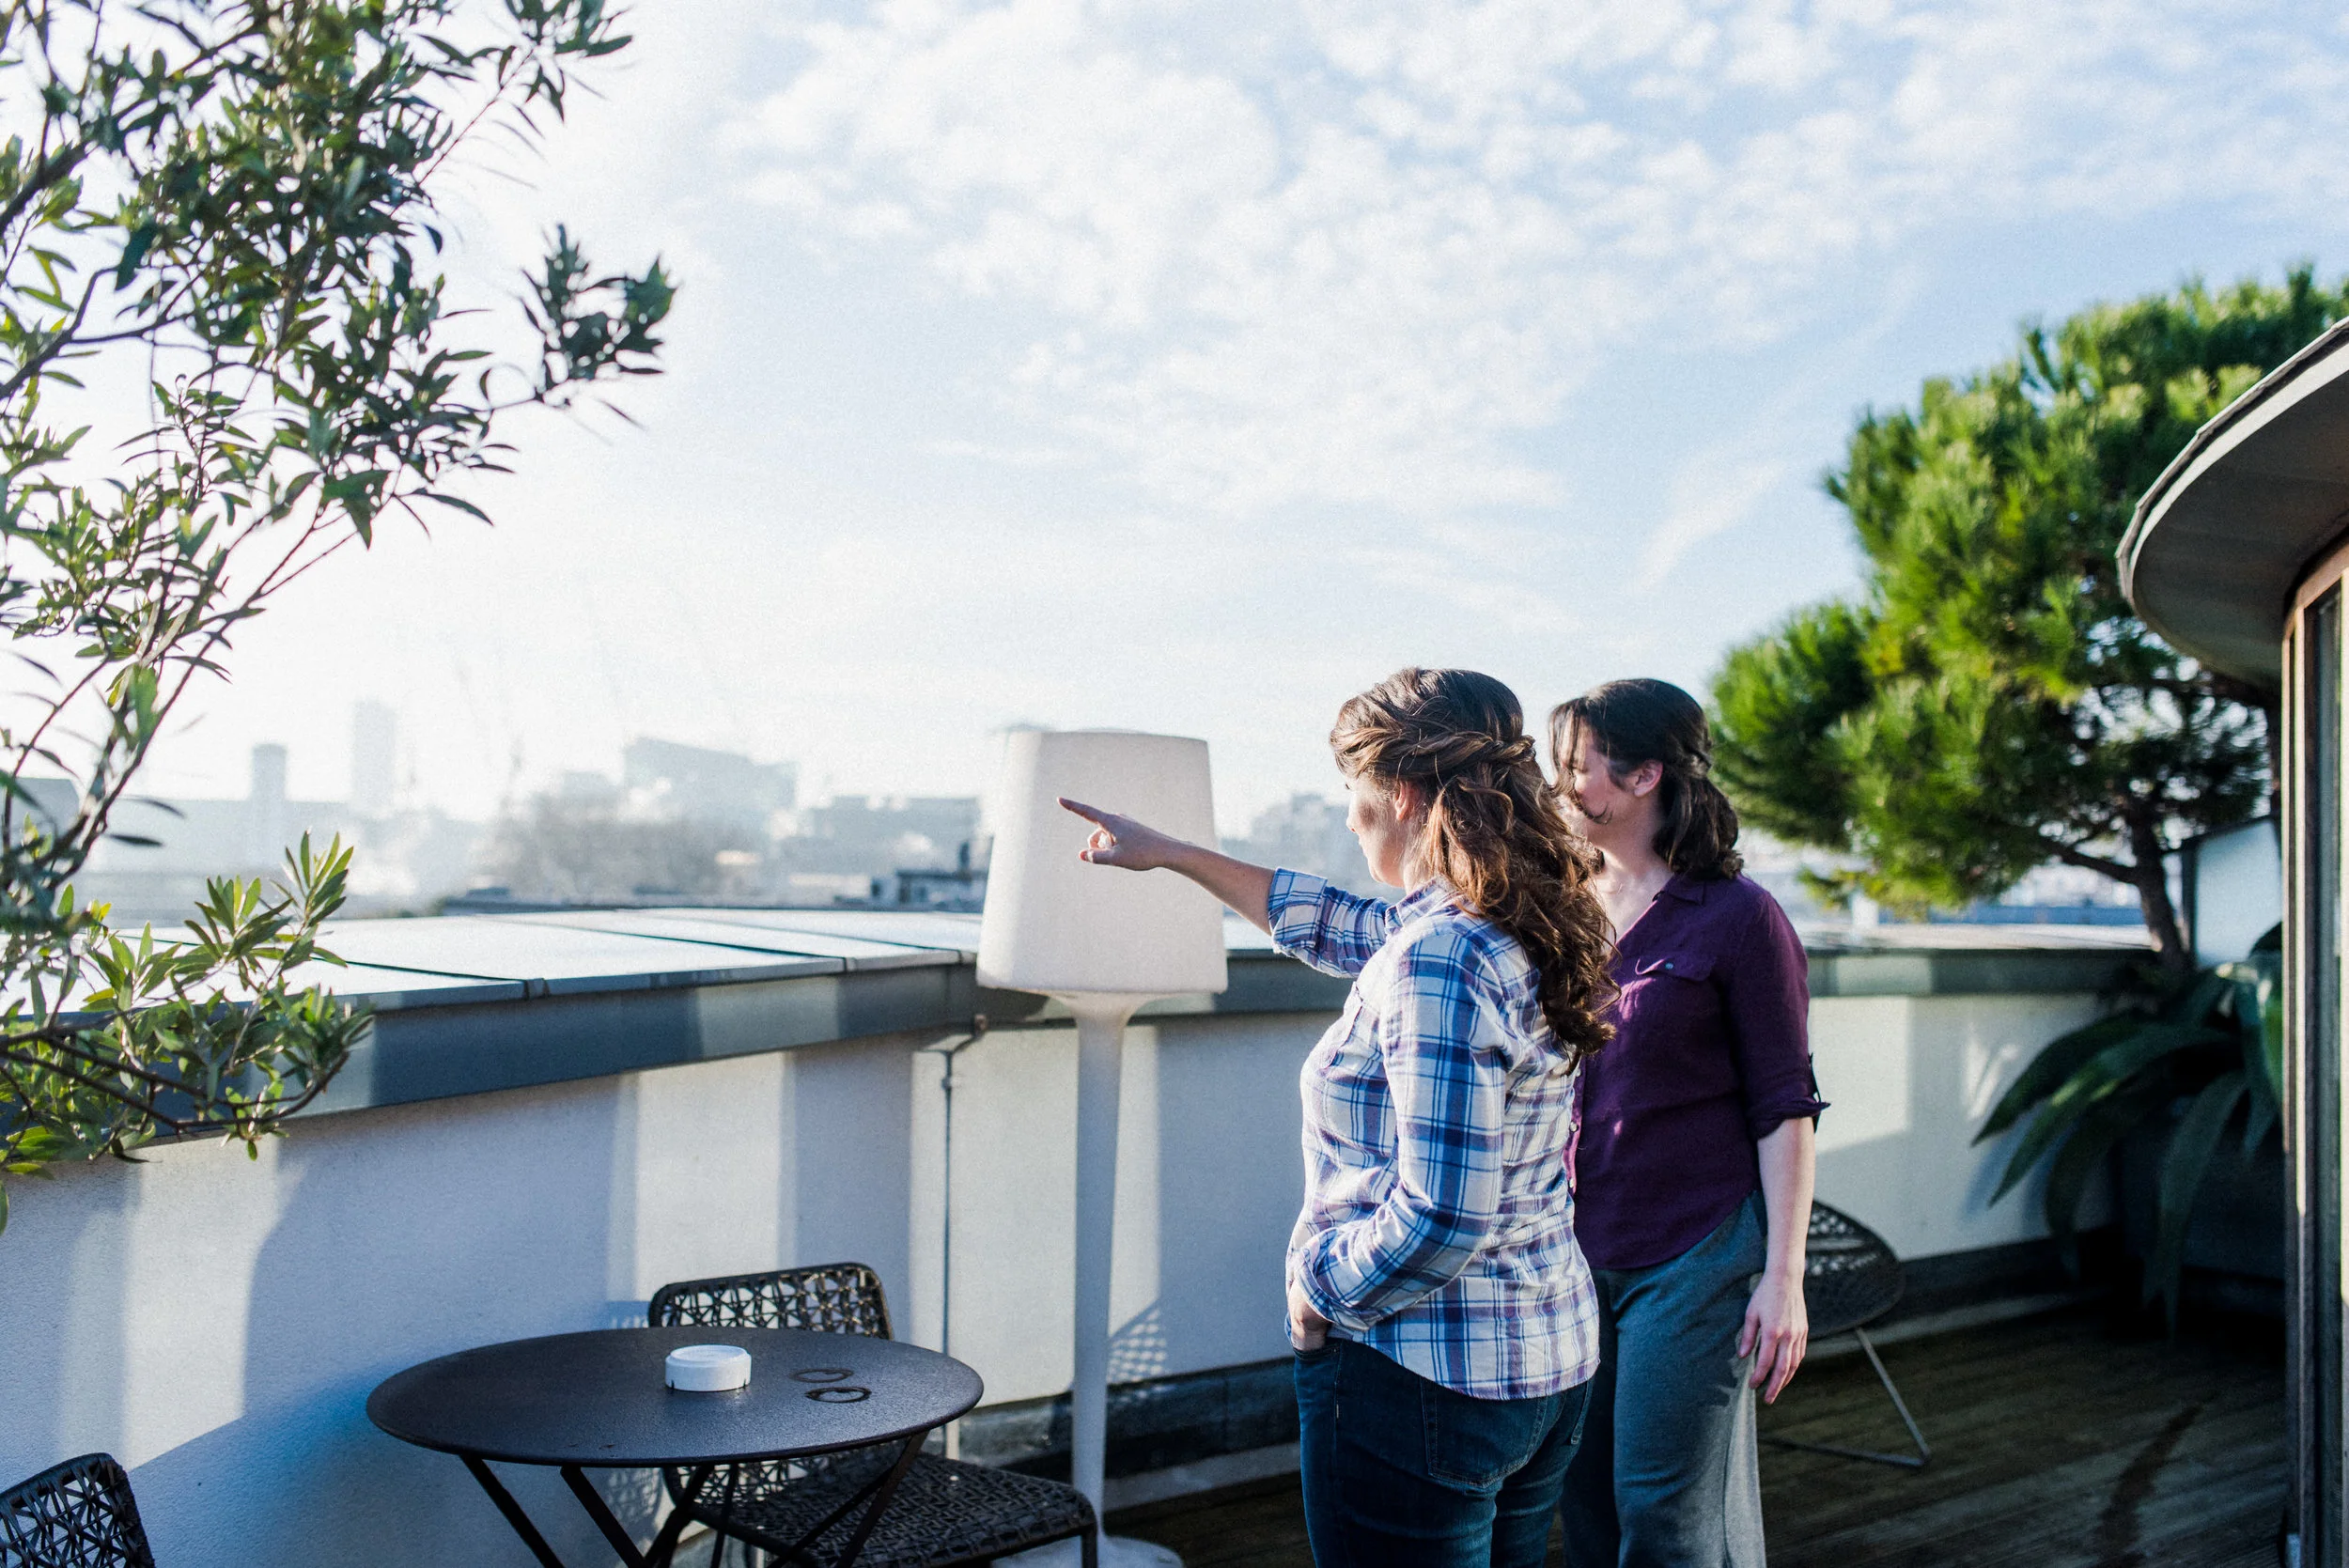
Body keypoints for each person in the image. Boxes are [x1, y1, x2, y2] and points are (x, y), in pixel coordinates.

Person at [1061, 667, 1617, 1568]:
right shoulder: (1519, 925)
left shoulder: (1441, 958)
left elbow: (1443, 1214)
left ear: (1403, 795)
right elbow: (1336, 923)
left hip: (1427, 1380)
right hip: (1541, 1361)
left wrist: (1317, 1288)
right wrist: (1172, 852)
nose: (1351, 819)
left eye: (1353, 791)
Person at [1547, 678, 1824, 1568]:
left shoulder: (1740, 919)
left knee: (1663, 1517)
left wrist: (1784, 1277)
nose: (1560, 786)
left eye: (1577, 767)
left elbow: (1785, 1107)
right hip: (1570, 1256)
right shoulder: (1558, 908)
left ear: (1644, 776)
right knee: (1582, 1504)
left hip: (1693, 1255)